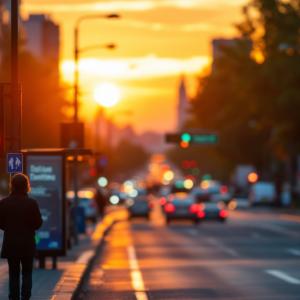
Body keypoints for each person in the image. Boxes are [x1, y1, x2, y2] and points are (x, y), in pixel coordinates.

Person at [0, 173, 43, 300]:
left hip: (11, 243)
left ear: (11, 185)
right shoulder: (32, 203)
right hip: (27, 244)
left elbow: (1, 224)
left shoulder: (4, 203)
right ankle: (25, 297)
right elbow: (37, 224)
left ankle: (14, 298)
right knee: (27, 273)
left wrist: (10, 227)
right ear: (26, 186)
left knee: (13, 274)